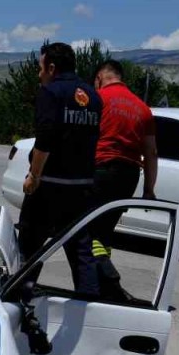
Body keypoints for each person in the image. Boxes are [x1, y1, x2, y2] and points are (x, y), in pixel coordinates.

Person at [17, 43, 104, 296]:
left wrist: (34, 175)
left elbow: (45, 139)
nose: (38, 74)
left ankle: (21, 297)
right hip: (82, 185)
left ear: (51, 68)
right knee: (80, 247)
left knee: (30, 246)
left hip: (51, 184)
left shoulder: (51, 92)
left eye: (40, 68)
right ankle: (89, 301)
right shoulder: (93, 96)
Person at [92, 59, 159, 300]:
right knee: (105, 231)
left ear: (100, 78)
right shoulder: (142, 108)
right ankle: (101, 287)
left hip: (101, 170)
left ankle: (110, 282)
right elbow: (151, 152)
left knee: (86, 232)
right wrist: (149, 190)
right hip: (129, 176)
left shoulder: (98, 99)